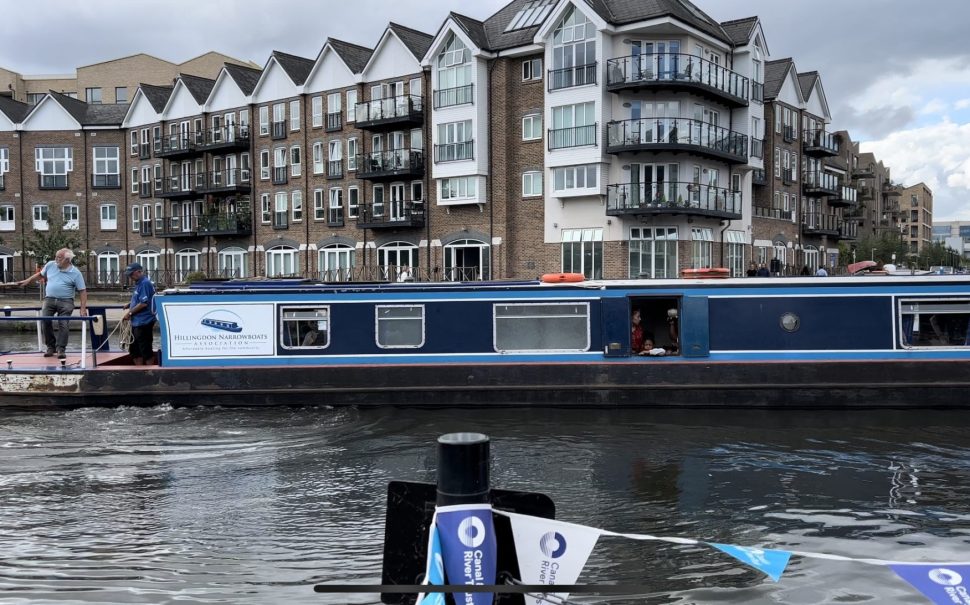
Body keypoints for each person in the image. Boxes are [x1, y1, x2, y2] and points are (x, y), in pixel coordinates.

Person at [17, 248, 87, 359]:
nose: (56, 259)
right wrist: (27, 281)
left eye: (59, 257)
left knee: (63, 323)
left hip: (66, 301)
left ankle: (61, 349)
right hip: (49, 299)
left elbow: (82, 291)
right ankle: (51, 347)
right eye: (56, 256)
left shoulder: (76, 273)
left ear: (67, 259)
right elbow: (40, 275)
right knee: (45, 320)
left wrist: (83, 308)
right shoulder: (50, 265)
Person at [122, 263, 156, 365]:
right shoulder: (138, 284)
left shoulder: (145, 283)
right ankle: (139, 371)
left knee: (145, 349)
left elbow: (143, 303)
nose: (130, 277)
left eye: (131, 274)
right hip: (136, 322)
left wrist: (129, 313)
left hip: (144, 321)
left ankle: (150, 372)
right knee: (134, 350)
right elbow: (140, 298)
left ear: (139, 272)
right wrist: (130, 304)